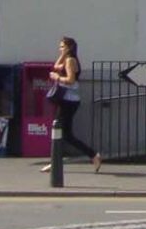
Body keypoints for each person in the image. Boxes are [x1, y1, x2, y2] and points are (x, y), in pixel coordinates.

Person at [43, 36, 102, 172]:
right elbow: (56, 66)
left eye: (62, 47)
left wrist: (57, 77)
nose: (60, 49)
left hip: (69, 101)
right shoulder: (68, 59)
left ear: (69, 48)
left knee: (60, 131)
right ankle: (91, 156)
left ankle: (93, 155)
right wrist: (62, 55)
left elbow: (71, 80)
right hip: (67, 100)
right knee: (63, 133)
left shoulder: (70, 60)